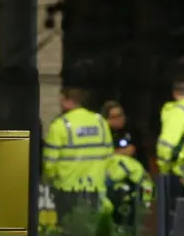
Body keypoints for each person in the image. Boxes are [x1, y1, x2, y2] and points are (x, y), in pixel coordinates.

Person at [43, 87, 114, 222]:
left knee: (69, 230)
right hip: (96, 187)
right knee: (93, 228)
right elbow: (109, 155)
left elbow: (49, 162)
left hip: (67, 188)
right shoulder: (101, 122)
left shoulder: (59, 125)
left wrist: (49, 179)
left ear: (67, 101)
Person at [105, 137, 153, 228]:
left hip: (109, 206)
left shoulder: (98, 162)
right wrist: (145, 204)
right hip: (128, 205)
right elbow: (147, 185)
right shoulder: (132, 164)